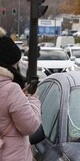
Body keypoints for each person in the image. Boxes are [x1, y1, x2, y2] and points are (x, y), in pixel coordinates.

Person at [0, 27, 41, 160]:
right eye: (16, 65)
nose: (17, 68)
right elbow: (30, 126)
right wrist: (32, 99)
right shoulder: (11, 90)